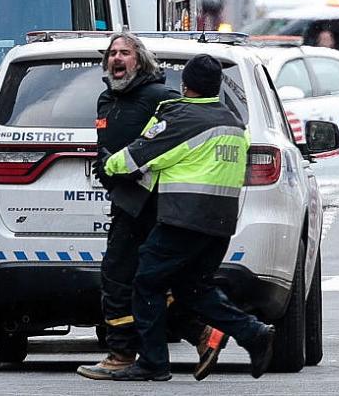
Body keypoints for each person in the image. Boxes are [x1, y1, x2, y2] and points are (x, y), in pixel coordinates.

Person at [102, 54, 276, 382]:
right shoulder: (233, 122)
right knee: (193, 289)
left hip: (184, 219)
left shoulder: (181, 116)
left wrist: (109, 164)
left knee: (146, 281)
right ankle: (253, 334)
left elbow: (137, 156)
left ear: (186, 85)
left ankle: (153, 363)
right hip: (220, 223)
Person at [78, 34, 228, 381]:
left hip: (154, 203)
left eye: (125, 53)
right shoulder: (105, 100)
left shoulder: (162, 98)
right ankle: (203, 335)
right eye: (113, 53)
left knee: (118, 277)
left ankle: (121, 354)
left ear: (140, 61)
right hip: (124, 202)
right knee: (152, 283)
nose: (117, 58)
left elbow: (170, 143)